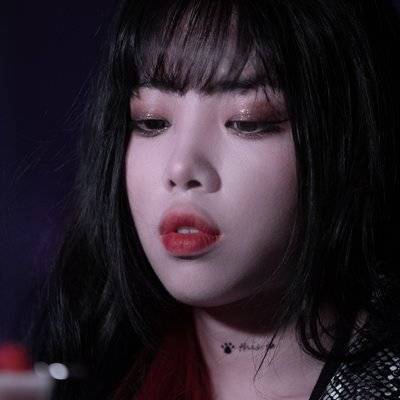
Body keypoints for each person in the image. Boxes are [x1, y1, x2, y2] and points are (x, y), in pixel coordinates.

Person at [30, 0, 400, 399]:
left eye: (247, 121)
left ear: (350, 144)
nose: (181, 167)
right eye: (152, 121)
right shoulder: (83, 377)